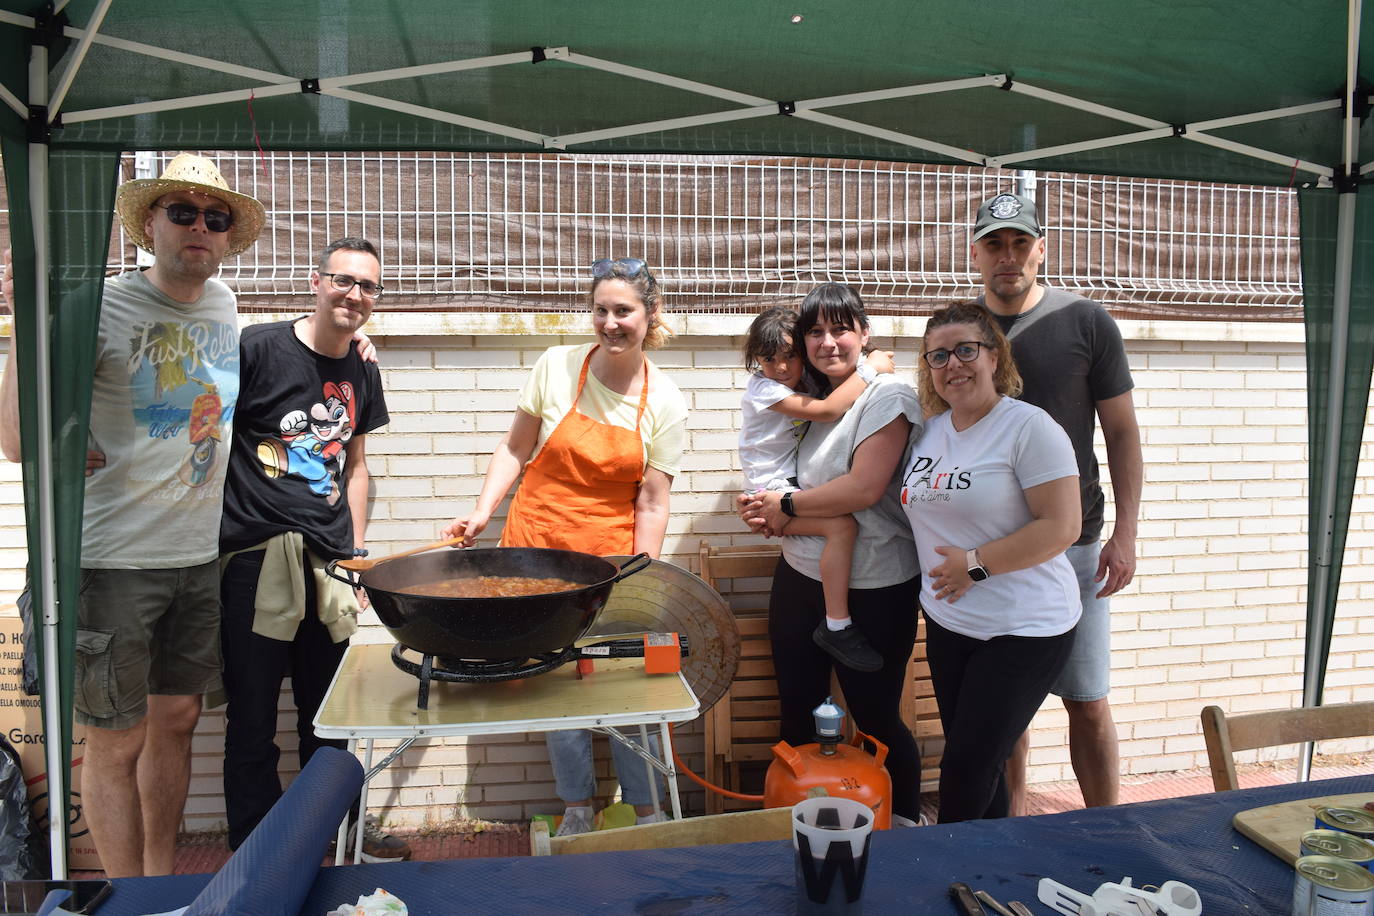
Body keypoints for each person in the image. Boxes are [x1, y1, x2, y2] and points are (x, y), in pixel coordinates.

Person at [0, 154, 263, 877]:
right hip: (109, 564)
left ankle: (160, 885)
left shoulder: (225, 305)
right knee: (115, 741)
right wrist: (22, 323)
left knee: (176, 724)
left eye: (215, 217)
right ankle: (126, 900)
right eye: (181, 212)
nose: (199, 228)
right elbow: (19, 439)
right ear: (149, 224)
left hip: (194, 557)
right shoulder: (99, 304)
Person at [440, 257, 688, 837]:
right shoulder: (556, 366)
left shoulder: (665, 401)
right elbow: (514, 448)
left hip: (608, 563)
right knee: (556, 677)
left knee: (627, 687)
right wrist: (482, 511)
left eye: (623, 311)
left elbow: (652, 502)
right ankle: (577, 808)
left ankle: (645, 812)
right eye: (600, 309)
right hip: (538, 550)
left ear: (650, 315)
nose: (609, 322)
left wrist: (640, 576)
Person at [217, 237, 410, 861]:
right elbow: (211, 437)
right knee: (251, 721)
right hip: (255, 559)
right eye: (343, 280)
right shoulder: (258, 348)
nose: (354, 295)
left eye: (368, 287)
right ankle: (256, 850)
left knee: (329, 716)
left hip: (328, 564)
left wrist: (353, 554)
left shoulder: (362, 365)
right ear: (315, 281)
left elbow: (357, 465)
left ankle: (340, 834)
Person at [968, 193, 1143, 812]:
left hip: (1075, 547)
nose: (1008, 257)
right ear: (976, 253)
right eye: (995, 244)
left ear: (1041, 249)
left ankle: (1106, 826)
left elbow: (1121, 431)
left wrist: (1125, 534)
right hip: (991, 553)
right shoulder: (964, 331)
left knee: (1088, 697)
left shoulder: (1086, 321)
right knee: (1005, 707)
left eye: (1020, 243)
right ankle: (1014, 825)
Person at [738, 283, 926, 824]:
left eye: (840, 328)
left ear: (864, 335)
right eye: (814, 332)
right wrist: (766, 508)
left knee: (875, 724)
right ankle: (797, 829)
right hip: (801, 574)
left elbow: (863, 490)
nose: (827, 342)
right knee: (797, 712)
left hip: (874, 585)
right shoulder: (811, 392)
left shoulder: (887, 396)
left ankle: (906, 828)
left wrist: (785, 505)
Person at [904, 300, 1082, 822]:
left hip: (1025, 627)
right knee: (981, 759)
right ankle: (994, 871)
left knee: (964, 768)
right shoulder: (932, 433)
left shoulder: (1029, 428)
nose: (953, 365)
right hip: (951, 622)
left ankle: (946, 878)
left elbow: (1061, 526)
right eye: (938, 357)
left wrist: (976, 565)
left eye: (965, 350)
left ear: (994, 356)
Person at [739, 305, 896, 671]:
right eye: (768, 358)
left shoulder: (799, 383)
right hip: (771, 488)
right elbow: (828, 410)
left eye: (789, 357)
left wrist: (868, 359)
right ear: (755, 360)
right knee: (841, 525)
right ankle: (838, 624)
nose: (780, 368)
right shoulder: (765, 389)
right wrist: (870, 369)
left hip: (780, 487)